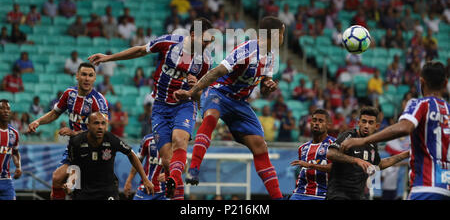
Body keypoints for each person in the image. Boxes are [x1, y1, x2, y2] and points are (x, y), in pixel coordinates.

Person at [88, 18, 214, 198]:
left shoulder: (205, 62)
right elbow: (140, 50)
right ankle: (175, 176)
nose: (207, 45)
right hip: (161, 106)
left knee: (180, 140)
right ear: (194, 35)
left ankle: (174, 182)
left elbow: (202, 95)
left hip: (184, 105)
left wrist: (195, 88)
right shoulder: (169, 43)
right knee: (166, 160)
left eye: (210, 41)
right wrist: (108, 58)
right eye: (205, 40)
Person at [174, 16, 286, 200]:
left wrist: (268, 85)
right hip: (219, 93)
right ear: (276, 34)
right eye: (282, 33)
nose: (283, 38)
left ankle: (278, 198)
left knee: (260, 146)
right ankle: (193, 168)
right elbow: (217, 72)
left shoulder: (272, 55)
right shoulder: (247, 50)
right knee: (210, 118)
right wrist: (192, 92)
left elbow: (264, 85)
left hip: (240, 102)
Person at [340, 61, 450, 200]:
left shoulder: (420, 104)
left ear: (421, 82)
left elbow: (405, 127)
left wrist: (363, 140)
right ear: (446, 83)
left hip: (426, 187)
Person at [27, 63, 109, 200]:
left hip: (93, 151)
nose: (87, 78)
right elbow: (54, 113)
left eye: (90, 75)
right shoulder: (69, 94)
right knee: (57, 178)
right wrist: (38, 122)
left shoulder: (98, 101)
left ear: (95, 78)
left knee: (77, 188)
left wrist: (73, 133)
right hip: (74, 148)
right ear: (77, 76)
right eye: (83, 74)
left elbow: (102, 133)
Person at [326, 106, 410, 200]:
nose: (366, 126)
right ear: (358, 123)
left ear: (376, 126)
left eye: (370, 123)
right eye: (364, 121)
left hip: (358, 195)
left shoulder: (372, 144)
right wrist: (355, 160)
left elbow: (379, 164)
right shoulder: (349, 136)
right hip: (339, 194)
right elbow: (331, 153)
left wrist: (406, 154)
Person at [64, 112, 153, 200]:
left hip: (107, 190)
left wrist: (145, 179)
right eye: (96, 123)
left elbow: (131, 154)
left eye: (103, 123)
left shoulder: (111, 139)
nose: (100, 127)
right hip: (84, 190)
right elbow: (74, 167)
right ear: (88, 126)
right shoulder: (75, 142)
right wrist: (70, 184)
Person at [290, 109, 335, 200]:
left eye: (320, 121)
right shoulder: (302, 148)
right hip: (299, 194)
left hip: (322, 195)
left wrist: (310, 165)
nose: (316, 123)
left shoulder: (334, 144)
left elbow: (335, 168)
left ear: (328, 125)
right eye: (314, 120)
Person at [124, 133, 169, 200]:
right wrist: (129, 180)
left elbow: (184, 167)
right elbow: (137, 161)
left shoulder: (174, 141)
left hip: (165, 192)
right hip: (145, 189)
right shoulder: (148, 139)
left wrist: (169, 174)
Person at [0, 99, 22, 200]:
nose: (5, 111)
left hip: (6, 180)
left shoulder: (14, 133)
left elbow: (15, 153)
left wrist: (18, 167)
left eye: (8, 109)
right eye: (2, 108)